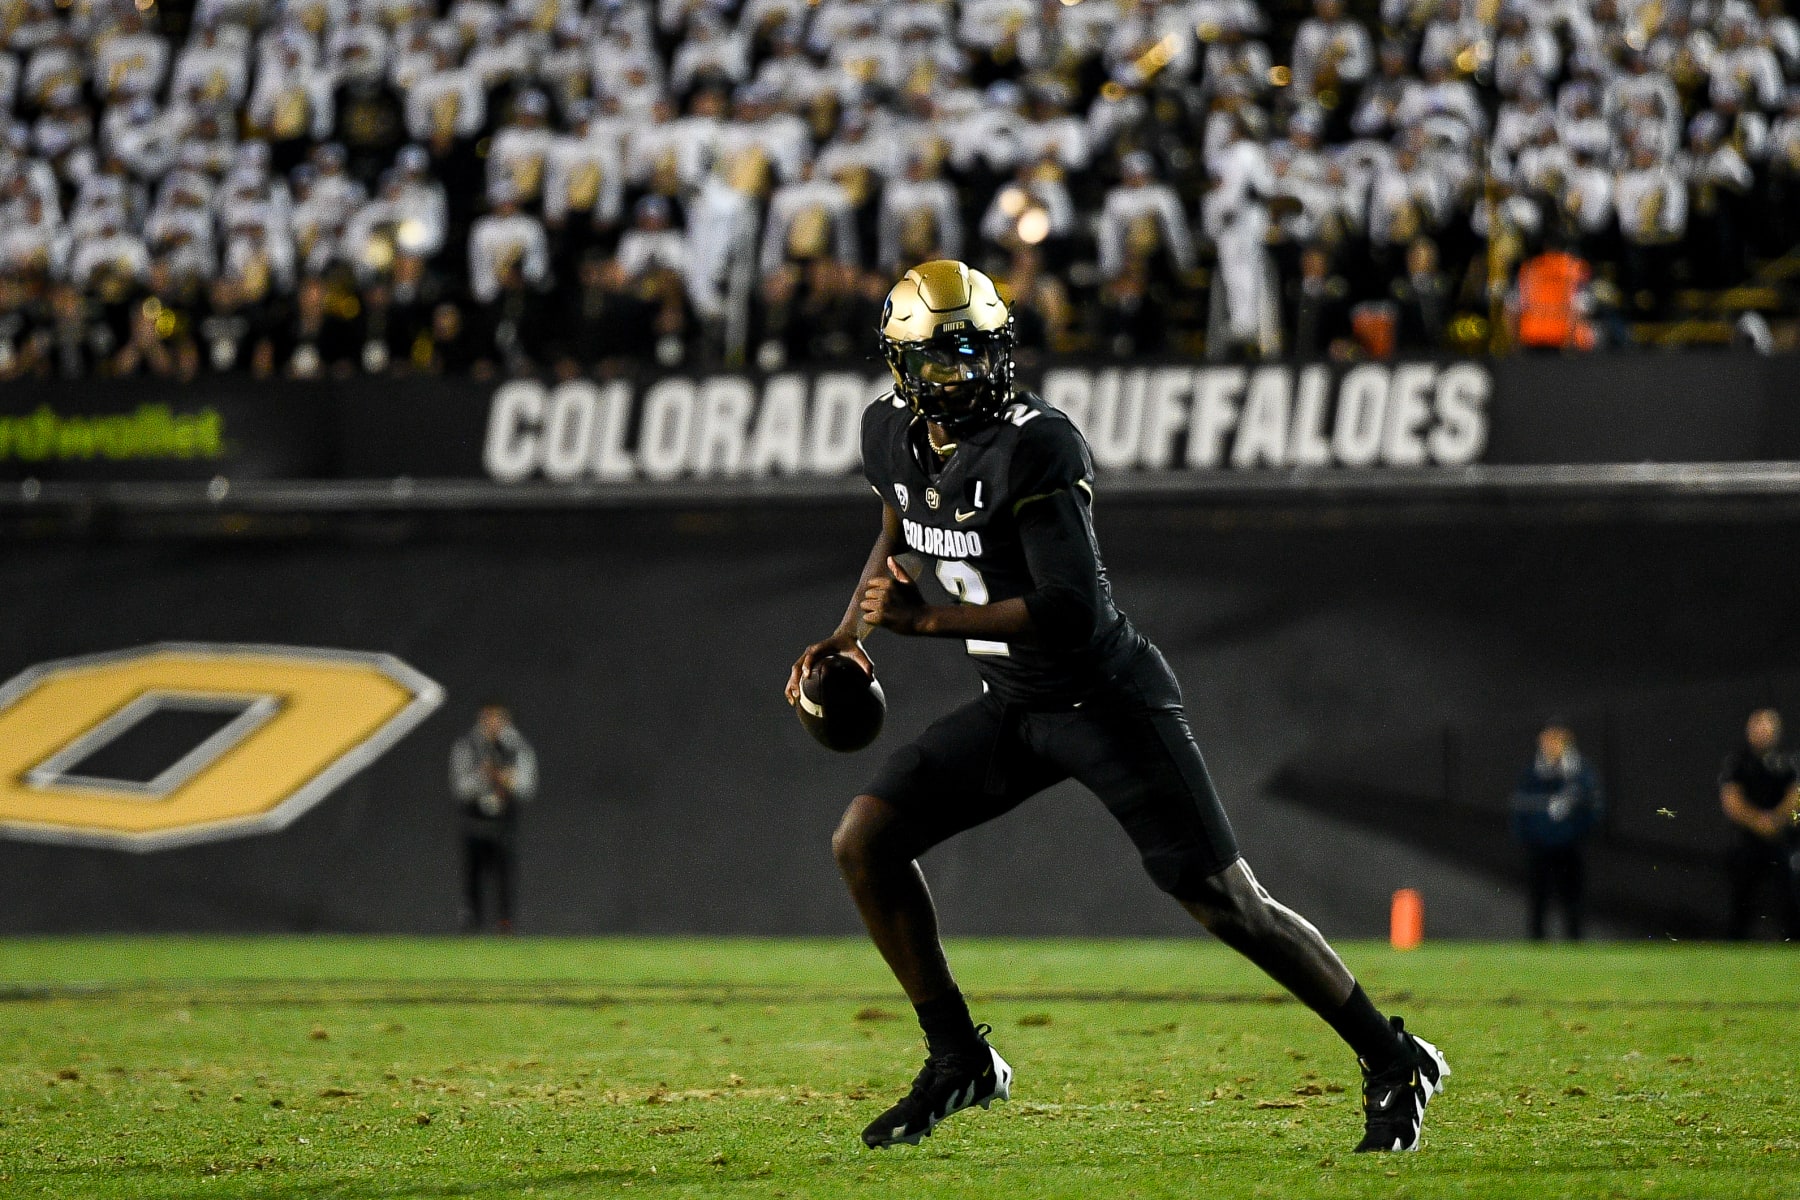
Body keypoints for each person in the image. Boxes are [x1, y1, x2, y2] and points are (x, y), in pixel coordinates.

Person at [784, 261, 1448, 1154]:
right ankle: (959, 1059)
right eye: (947, 359)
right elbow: (900, 527)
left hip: (1104, 699)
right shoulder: (891, 437)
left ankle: (1391, 1054)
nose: (970, 373)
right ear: (903, 367)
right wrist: (848, 637)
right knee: (864, 838)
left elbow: (1071, 611)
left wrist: (927, 620)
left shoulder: (1037, 443)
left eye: (983, 351)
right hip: (1014, 703)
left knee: (1226, 902)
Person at [1509, 722, 1604, 940]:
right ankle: (1537, 944)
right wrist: (1527, 837)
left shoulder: (1580, 773)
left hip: (1569, 848)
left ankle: (1574, 944)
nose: (1550, 745)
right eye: (1546, 740)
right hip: (1539, 849)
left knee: (1572, 899)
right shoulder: (1531, 773)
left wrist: (1577, 834)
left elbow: (1594, 808)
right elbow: (1520, 808)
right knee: (1538, 900)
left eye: (1555, 740)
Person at [450, 702, 538, 933]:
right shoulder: (468, 746)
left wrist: (507, 779)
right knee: (473, 876)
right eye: (488, 718)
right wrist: (483, 776)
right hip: (476, 824)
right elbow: (460, 787)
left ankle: (505, 923)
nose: (493, 723)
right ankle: (471, 922)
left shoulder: (517, 748)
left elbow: (527, 787)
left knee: (505, 877)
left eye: (498, 718)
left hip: (503, 824)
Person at [1719, 708, 1800, 940]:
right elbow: (1731, 799)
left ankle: (1794, 944)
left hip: (1781, 840)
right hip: (1747, 842)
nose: (1762, 732)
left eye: (1767, 726)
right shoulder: (1738, 762)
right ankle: (1735, 946)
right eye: (1758, 726)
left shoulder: (1788, 761)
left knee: (1790, 897)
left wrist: (1775, 820)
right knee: (1741, 899)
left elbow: (1795, 794)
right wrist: (1758, 822)